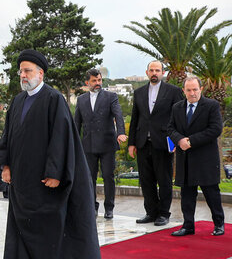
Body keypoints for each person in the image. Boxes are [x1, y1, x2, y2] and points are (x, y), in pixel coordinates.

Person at [0, 49, 104, 259]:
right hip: (20, 179)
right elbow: (8, 136)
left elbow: (61, 138)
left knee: (46, 228)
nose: (23, 75)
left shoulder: (53, 99)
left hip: (43, 180)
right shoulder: (17, 100)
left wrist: (55, 173)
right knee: (17, 226)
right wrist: (6, 165)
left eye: (28, 71)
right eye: (21, 71)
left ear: (40, 73)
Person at [128, 61, 184, 226]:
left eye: (157, 70)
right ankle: (151, 212)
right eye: (151, 70)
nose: (154, 73)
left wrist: (176, 141)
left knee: (164, 179)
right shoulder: (138, 92)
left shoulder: (173, 92)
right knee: (146, 180)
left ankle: (164, 214)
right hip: (143, 143)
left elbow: (179, 118)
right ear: (147, 72)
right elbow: (135, 119)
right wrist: (131, 143)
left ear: (163, 72)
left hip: (164, 143)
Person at [168, 76, 225, 236]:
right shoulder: (177, 107)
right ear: (183, 91)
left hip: (205, 159)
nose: (192, 93)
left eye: (195, 89)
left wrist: (190, 141)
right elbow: (170, 128)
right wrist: (179, 140)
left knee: (211, 193)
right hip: (185, 159)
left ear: (201, 89)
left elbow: (215, 129)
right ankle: (188, 226)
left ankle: (219, 224)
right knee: (186, 194)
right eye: (189, 90)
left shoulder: (211, 106)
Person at [74, 68, 127, 219]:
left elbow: (119, 115)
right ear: (87, 82)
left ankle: (109, 208)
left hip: (107, 144)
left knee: (108, 176)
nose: (97, 83)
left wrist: (121, 132)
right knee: (89, 178)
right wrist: (73, 143)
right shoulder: (81, 100)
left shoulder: (111, 96)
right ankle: (92, 207)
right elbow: (76, 123)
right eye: (94, 81)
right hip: (88, 145)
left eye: (99, 80)